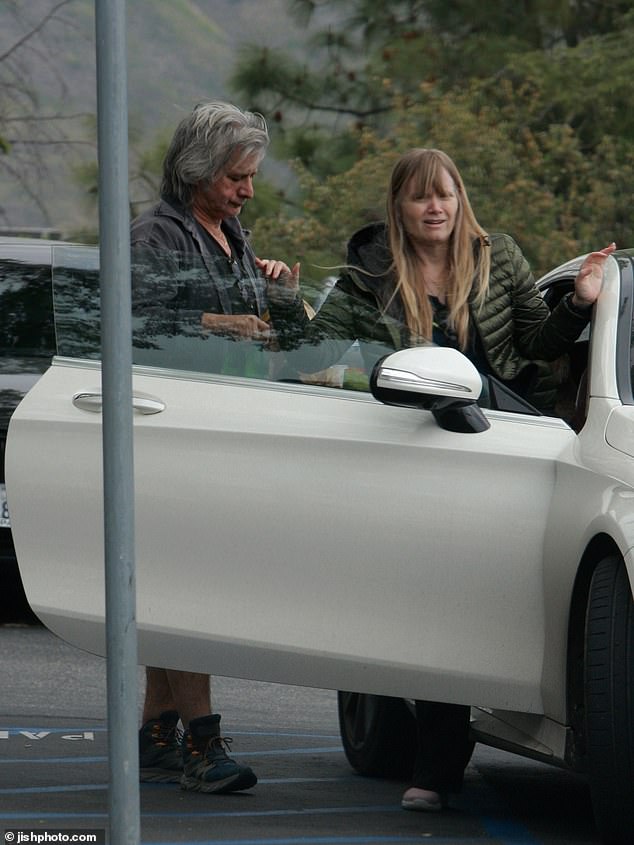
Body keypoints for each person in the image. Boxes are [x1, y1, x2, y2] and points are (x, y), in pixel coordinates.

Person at [277, 147, 614, 810]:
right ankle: (436, 760)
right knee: (431, 600)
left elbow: (541, 343)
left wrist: (580, 302)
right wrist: (289, 304)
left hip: (503, 445)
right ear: (398, 208)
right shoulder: (370, 275)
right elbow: (312, 353)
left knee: (476, 596)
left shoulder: (499, 257)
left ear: (461, 200)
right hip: (415, 451)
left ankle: (456, 753)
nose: (436, 208)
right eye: (421, 197)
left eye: (446, 194)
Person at [130, 100, 299, 794]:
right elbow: (135, 322)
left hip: (222, 430)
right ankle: (202, 744)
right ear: (197, 171)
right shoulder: (154, 237)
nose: (246, 190)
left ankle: (157, 732)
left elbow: (262, 329)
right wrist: (215, 322)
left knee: (181, 580)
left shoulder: (232, 231)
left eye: (250, 177)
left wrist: (274, 290)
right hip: (169, 431)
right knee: (185, 584)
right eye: (236, 177)